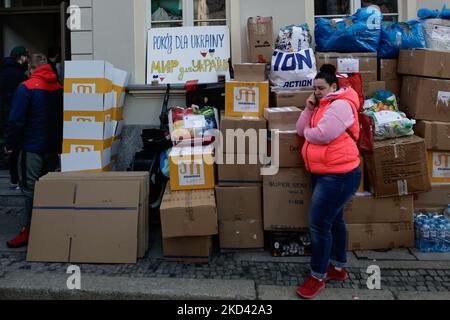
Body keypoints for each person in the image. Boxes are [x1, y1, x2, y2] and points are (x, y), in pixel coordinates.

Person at [296, 64, 362, 299]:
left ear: (334, 86)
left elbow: (323, 135)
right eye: (314, 89)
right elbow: (300, 128)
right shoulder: (321, 105)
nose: (317, 92)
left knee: (319, 223)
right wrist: (308, 108)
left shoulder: (342, 105)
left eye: (321, 88)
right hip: (324, 172)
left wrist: (309, 134)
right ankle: (337, 267)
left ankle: (317, 277)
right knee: (334, 221)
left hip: (340, 175)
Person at [4, 53, 63, 249]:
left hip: (32, 147)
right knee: (49, 188)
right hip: (53, 147)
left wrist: (10, 144)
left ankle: (30, 230)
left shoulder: (26, 87)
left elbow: (16, 119)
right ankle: (50, 228)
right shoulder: (58, 87)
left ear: (31, 67)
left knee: (30, 188)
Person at [0, 46, 29, 188]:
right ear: (21, 57)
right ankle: (18, 179)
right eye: (26, 57)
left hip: (5, 115)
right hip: (15, 115)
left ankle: (13, 179)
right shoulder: (19, 76)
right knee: (18, 149)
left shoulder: (4, 71)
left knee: (10, 147)